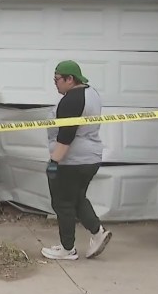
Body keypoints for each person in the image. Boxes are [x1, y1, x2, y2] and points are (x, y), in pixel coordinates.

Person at [41, 60, 112, 260]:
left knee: (63, 203)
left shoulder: (71, 100)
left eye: (57, 80)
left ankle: (67, 249)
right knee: (77, 198)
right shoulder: (91, 93)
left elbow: (66, 136)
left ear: (70, 79)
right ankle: (98, 233)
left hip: (72, 160)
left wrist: (54, 162)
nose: (55, 84)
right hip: (91, 158)